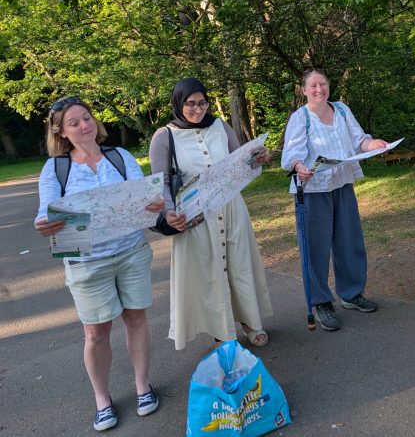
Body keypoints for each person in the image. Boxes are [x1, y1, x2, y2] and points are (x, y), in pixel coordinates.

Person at [34, 96, 162, 432]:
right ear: (60, 131)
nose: (84, 126)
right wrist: (44, 223)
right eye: (73, 122)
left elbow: (143, 198)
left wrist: (154, 204)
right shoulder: (56, 168)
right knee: (95, 333)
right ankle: (102, 401)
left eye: (87, 118)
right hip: (86, 261)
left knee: (136, 318)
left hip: (131, 250)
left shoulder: (119, 157)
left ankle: (142, 386)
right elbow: (46, 212)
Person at [149, 77, 273, 350]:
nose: (197, 109)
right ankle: (222, 333)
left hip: (231, 207)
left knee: (240, 265)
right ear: (178, 103)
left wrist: (257, 158)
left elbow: (240, 161)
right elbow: (161, 185)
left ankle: (250, 322)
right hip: (195, 216)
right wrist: (171, 215)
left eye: (202, 102)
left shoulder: (220, 125)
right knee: (209, 275)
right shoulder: (164, 136)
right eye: (190, 104)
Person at [281, 69, 388, 331]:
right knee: (316, 249)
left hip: (342, 184)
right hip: (313, 190)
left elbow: (358, 139)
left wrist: (372, 144)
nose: (319, 90)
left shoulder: (341, 109)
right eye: (313, 86)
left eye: (323, 84)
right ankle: (321, 303)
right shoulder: (300, 117)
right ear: (304, 90)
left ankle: (351, 294)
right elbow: (290, 154)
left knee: (349, 241)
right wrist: (298, 166)